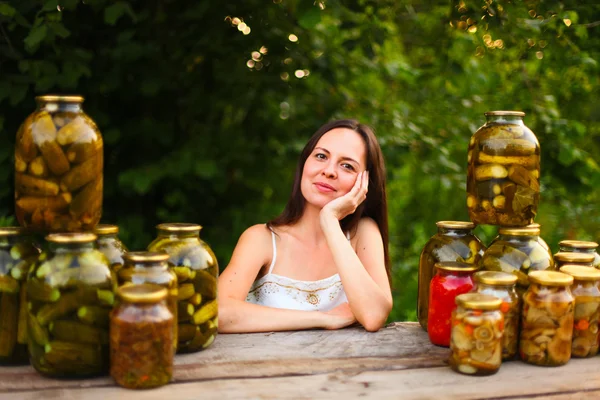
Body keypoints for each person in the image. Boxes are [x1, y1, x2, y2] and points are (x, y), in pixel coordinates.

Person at [218, 119, 392, 332]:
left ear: (364, 183)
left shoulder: (362, 234)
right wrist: (323, 318)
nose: (329, 171)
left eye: (347, 166)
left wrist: (329, 221)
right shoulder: (261, 239)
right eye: (321, 156)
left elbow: (374, 315)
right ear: (304, 163)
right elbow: (218, 313)